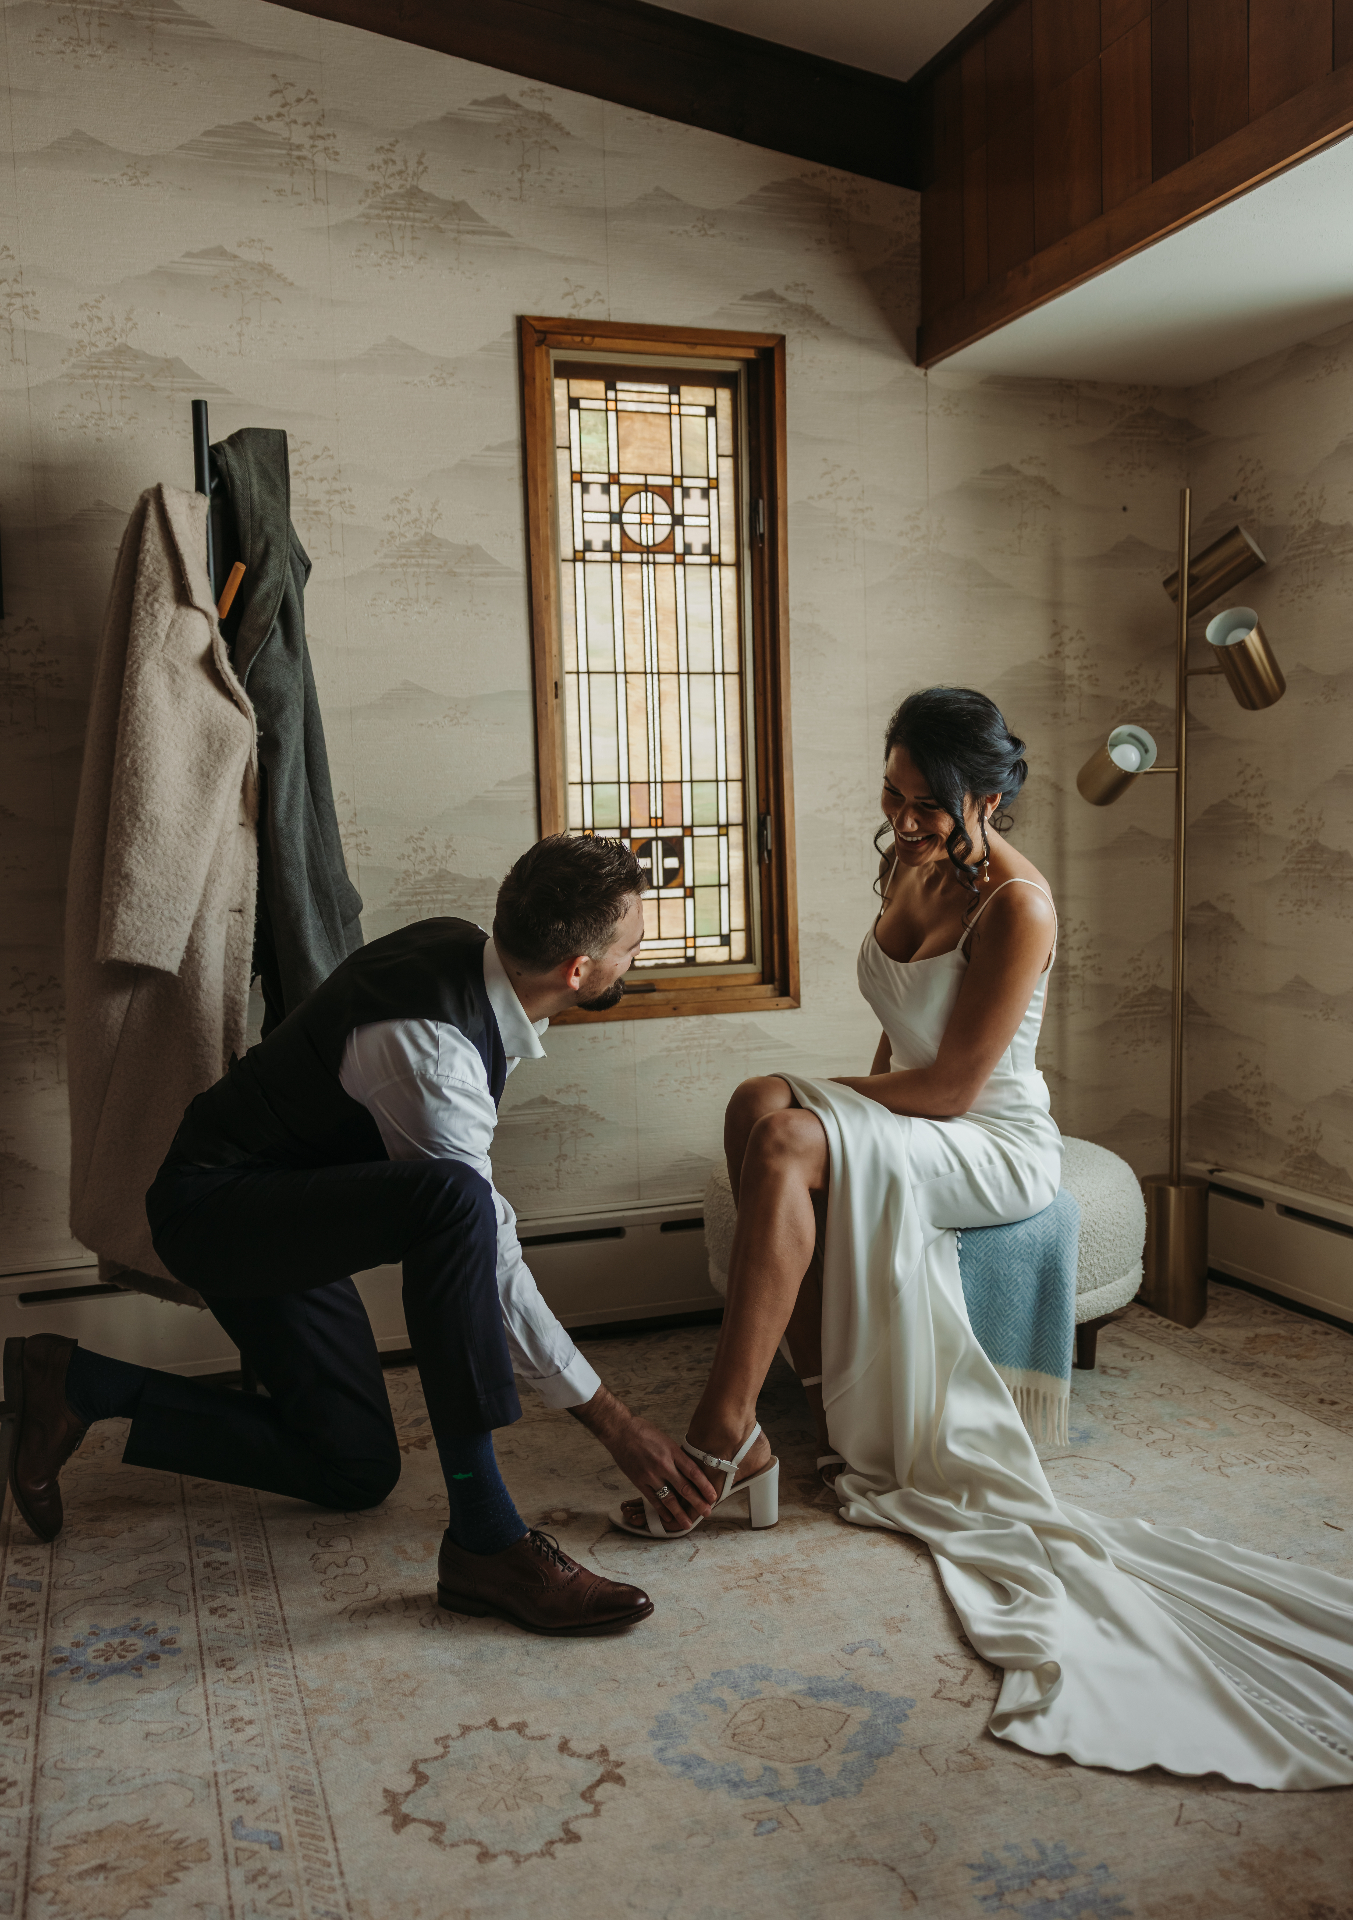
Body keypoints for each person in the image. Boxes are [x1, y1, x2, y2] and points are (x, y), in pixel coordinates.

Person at [615, 686, 1353, 1791]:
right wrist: (830, 1111)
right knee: (754, 1103)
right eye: (894, 793)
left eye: (928, 803)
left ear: (988, 798)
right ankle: (812, 1399)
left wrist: (826, 1121)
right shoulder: (908, 862)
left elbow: (957, 1084)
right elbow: (896, 1033)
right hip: (921, 1112)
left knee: (783, 1134)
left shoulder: (1020, 906)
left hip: (991, 1140)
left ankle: (723, 1435)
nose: (904, 819)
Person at [5, 835, 716, 1637]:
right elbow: (487, 1257)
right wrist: (614, 1421)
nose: (636, 956)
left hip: (288, 1205)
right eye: (632, 946)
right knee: (458, 1206)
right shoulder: (432, 1052)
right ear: (578, 971)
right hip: (218, 1213)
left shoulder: (466, 953)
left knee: (354, 1468)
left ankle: (79, 1384)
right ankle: (485, 1541)